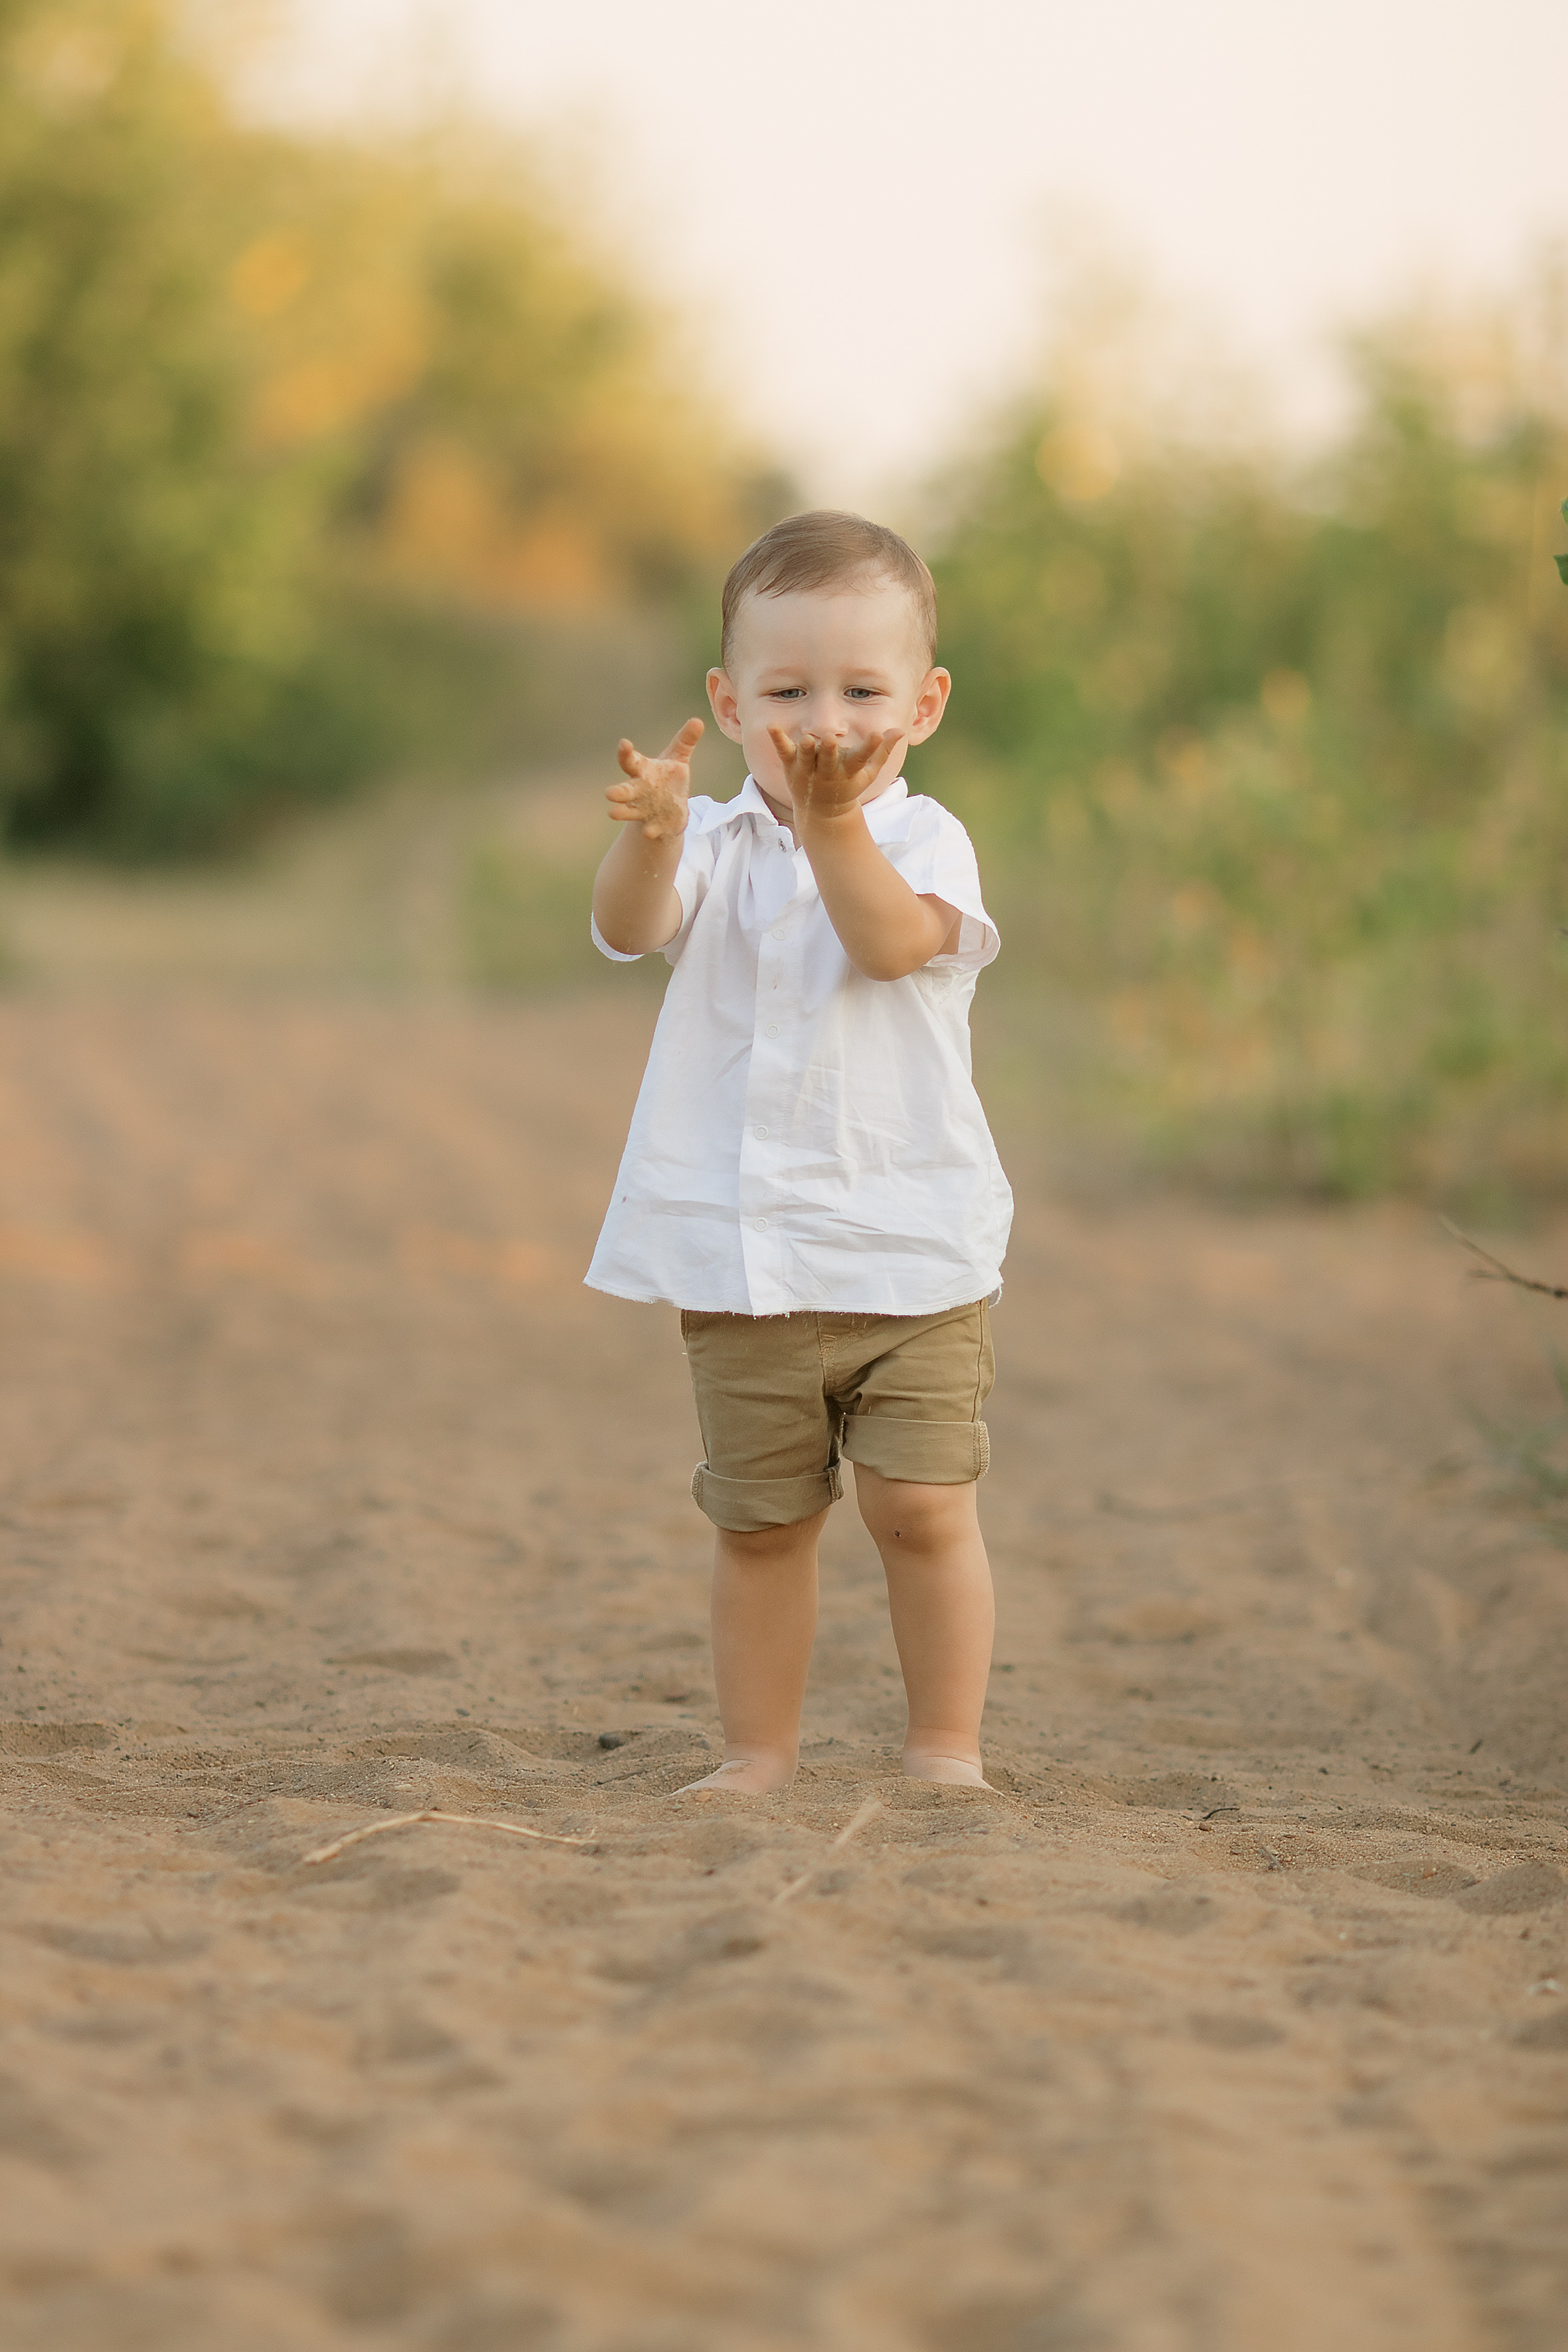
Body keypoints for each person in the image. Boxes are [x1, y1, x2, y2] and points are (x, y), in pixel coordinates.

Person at [586, 510, 1012, 1794]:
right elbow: (626, 928)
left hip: (911, 1259)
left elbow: (887, 943)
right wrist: (651, 834)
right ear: (727, 703)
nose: (823, 723)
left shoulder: (927, 841)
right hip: (747, 1264)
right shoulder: (712, 844)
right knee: (762, 1526)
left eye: (861, 691)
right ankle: (755, 1755)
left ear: (923, 705)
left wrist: (835, 827)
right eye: (787, 691)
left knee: (921, 1511)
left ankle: (944, 1750)